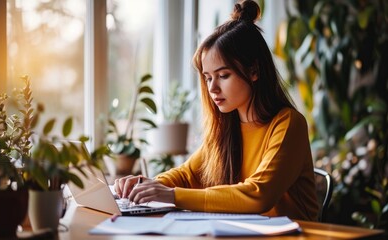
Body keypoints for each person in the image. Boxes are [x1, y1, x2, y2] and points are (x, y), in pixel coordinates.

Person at [114, 0, 319, 221]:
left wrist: (172, 195)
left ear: (254, 71)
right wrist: (147, 185)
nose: (212, 88)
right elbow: (187, 174)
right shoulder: (227, 127)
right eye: (208, 77)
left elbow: (259, 194)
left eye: (223, 76)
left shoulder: (288, 124)